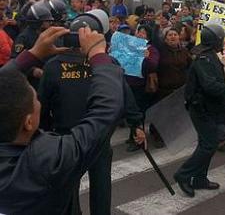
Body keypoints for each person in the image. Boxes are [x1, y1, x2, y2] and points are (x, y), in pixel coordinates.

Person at [0, 26, 126, 214]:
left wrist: (32, 55)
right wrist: (99, 55)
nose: (39, 101)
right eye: (35, 100)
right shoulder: (47, 160)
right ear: (28, 122)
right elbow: (105, 113)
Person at [38, 21, 145, 215]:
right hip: (96, 138)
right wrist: (136, 123)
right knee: (100, 188)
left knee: (71, 189)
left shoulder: (53, 66)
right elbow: (124, 96)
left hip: (67, 140)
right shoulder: (107, 64)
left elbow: (42, 106)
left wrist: (45, 135)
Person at [174, 23, 225, 198]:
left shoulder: (210, 55)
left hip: (212, 107)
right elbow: (210, 85)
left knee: (207, 144)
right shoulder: (204, 58)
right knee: (209, 144)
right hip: (202, 108)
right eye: (222, 39)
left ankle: (200, 179)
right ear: (215, 40)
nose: (223, 41)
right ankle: (183, 174)